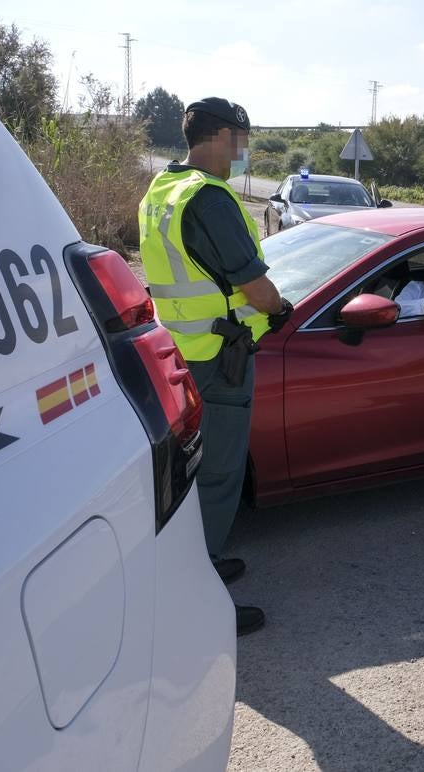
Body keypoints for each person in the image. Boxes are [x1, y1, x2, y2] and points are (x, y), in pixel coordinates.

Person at [137, 96, 293, 636]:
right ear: (222, 136)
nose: (243, 152)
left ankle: (194, 568)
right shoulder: (210, 197)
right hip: (218, 359)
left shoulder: (163, 190)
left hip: (177, 354)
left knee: (188, 475)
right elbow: (255, 286)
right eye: (242, 141)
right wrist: (279, 307)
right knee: (220, 475)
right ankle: (194, 607)